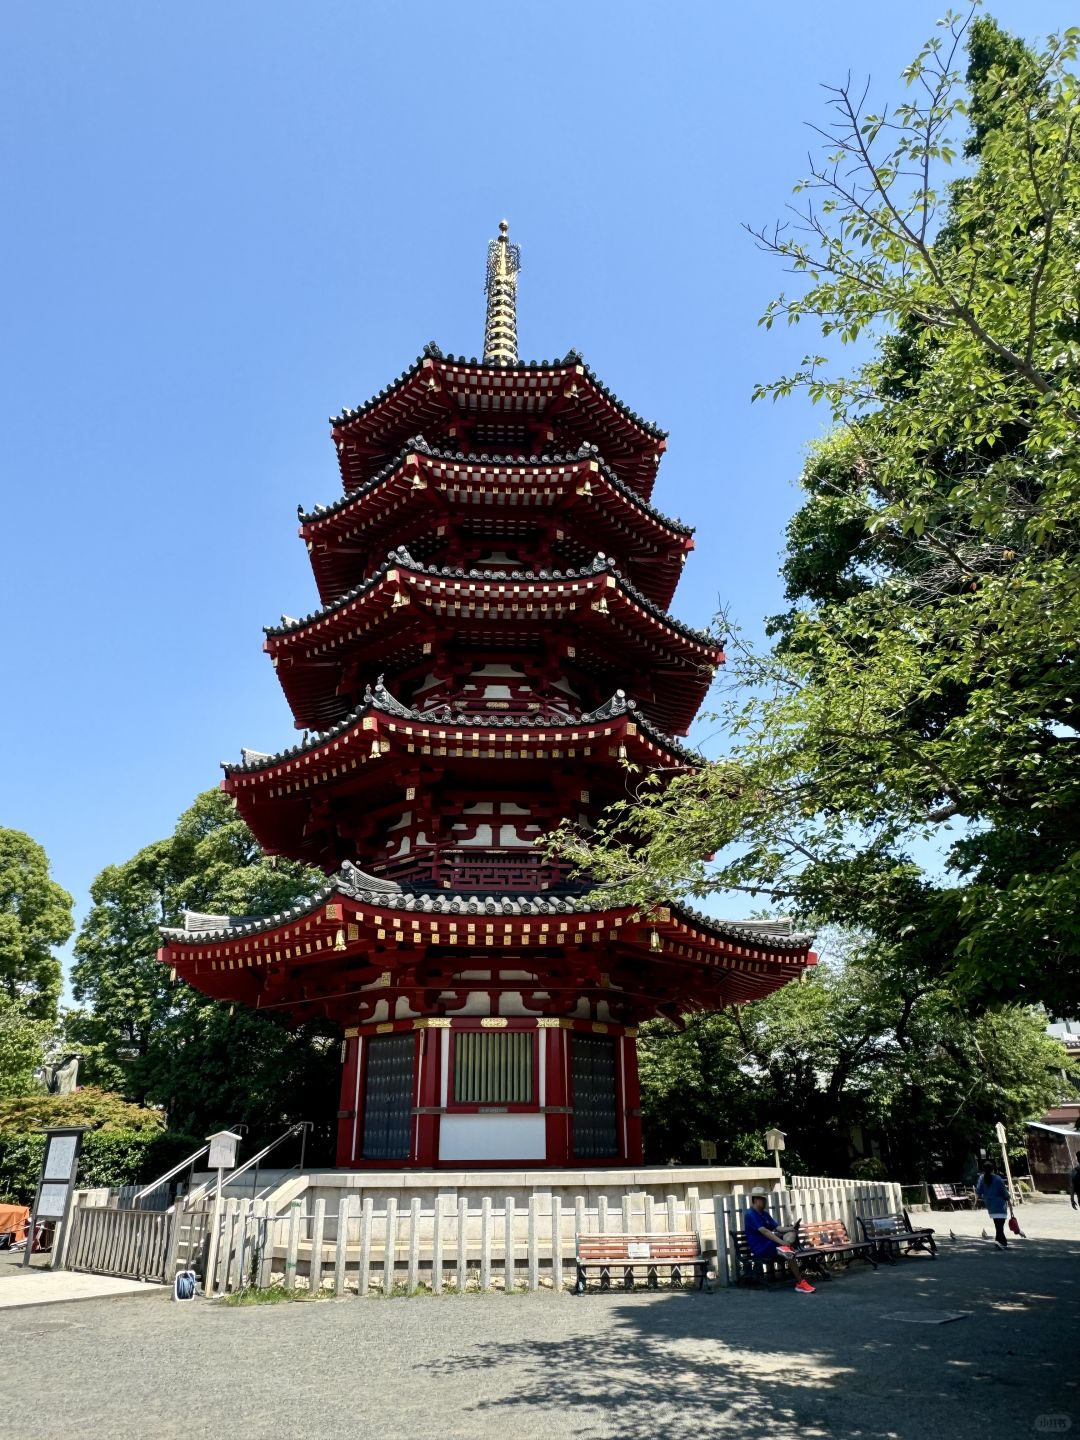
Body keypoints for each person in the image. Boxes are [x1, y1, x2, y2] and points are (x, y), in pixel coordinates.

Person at [744, 1187, 814, 1293]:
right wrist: (782, 1243)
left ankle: (786, 1248)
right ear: (755, 1200)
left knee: (791, 1234)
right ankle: (800, 1282)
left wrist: (792, 1228)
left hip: (771, 1245)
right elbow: (765, 1231)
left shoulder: (765, 1214)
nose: (765, 1201)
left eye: (765, 1199)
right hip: (761, 1248)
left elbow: (778, 1228)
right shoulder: (750, 1214)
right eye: (763, 1199)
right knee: (788, 1250)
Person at [976, 1161, 1011, 1249]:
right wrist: (1008, 1198)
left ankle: (1000, 1241)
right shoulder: (998, 1178)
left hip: (990, 1204)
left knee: (997, 1224)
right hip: (1000, 1204)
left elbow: (978, 1191)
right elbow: (1004, 1191)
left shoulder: (981, 1178)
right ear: (992, 1169)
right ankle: (1001, 1242)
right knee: (1000, 1224)